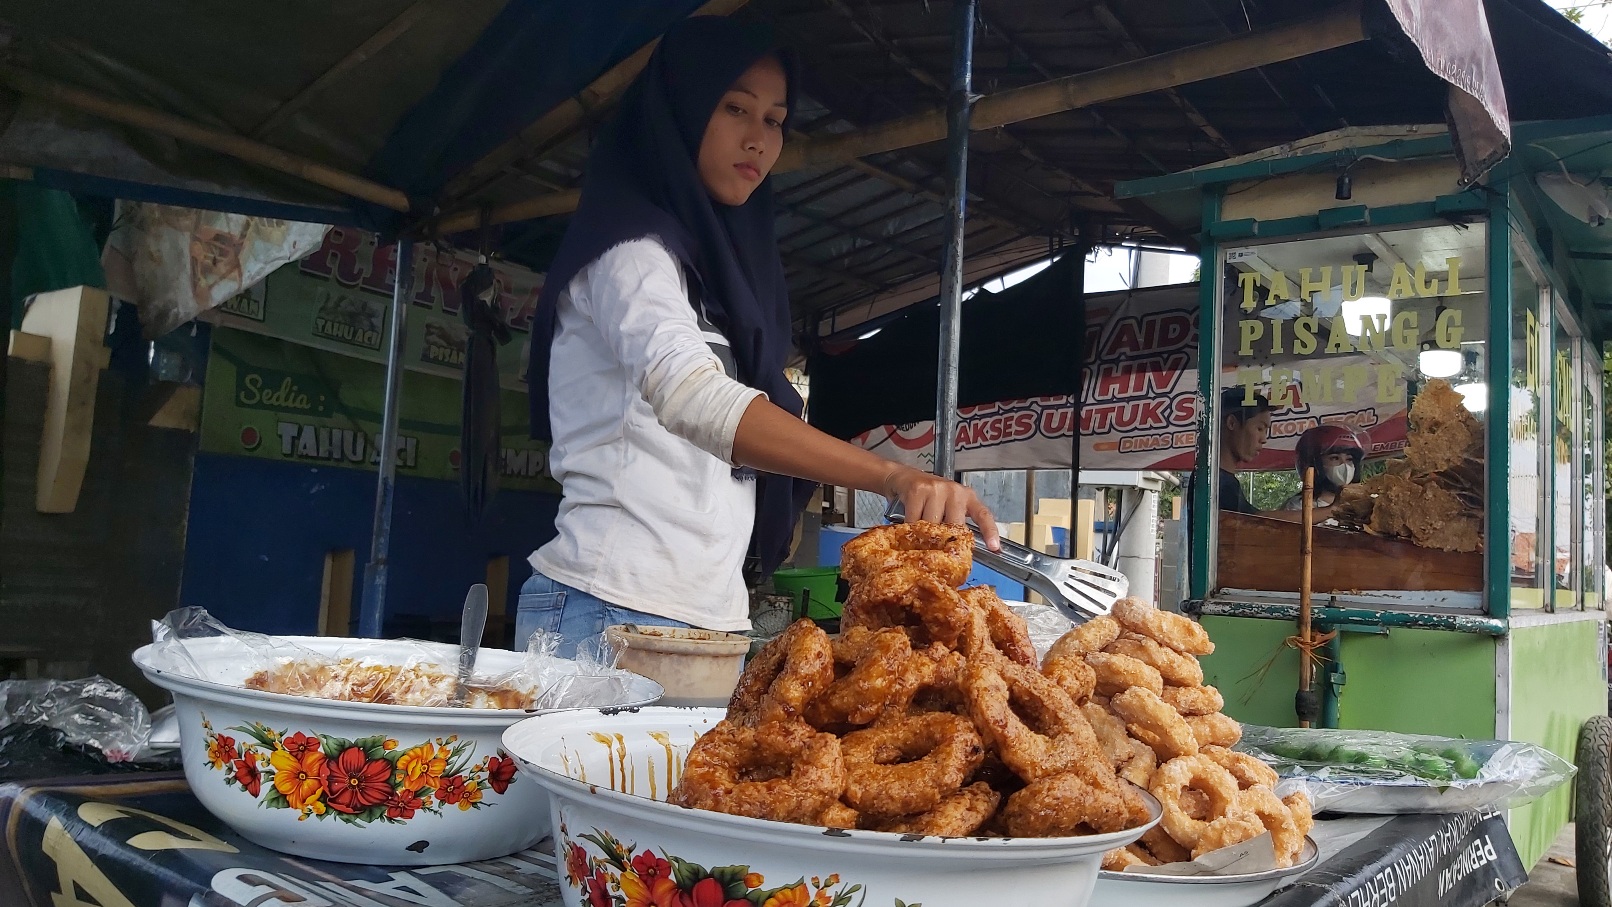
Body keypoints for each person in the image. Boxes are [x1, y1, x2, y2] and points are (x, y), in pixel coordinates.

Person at [518, 18, 999, 657]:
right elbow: (695, 399)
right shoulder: (628, 254)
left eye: (774, 120)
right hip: (606, 606)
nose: (757, 139)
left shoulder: (723, 275)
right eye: (734, 108)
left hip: (710, 616)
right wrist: (893, 476)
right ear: (681, 112)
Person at [1216, 387, 1331, 523]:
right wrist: (1332, 510)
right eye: (1259, 428)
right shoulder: (1217, 483)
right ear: (1232, 423)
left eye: (1266, 431)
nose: (1264, 439)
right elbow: (1256, 521)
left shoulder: (1224, 480)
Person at [1280, 424, 1365, 510]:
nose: (1345, 465)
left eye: (1349, 459)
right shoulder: (1298, 506)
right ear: (1315, 464)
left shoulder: (1360, 504)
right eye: (1335, 458)